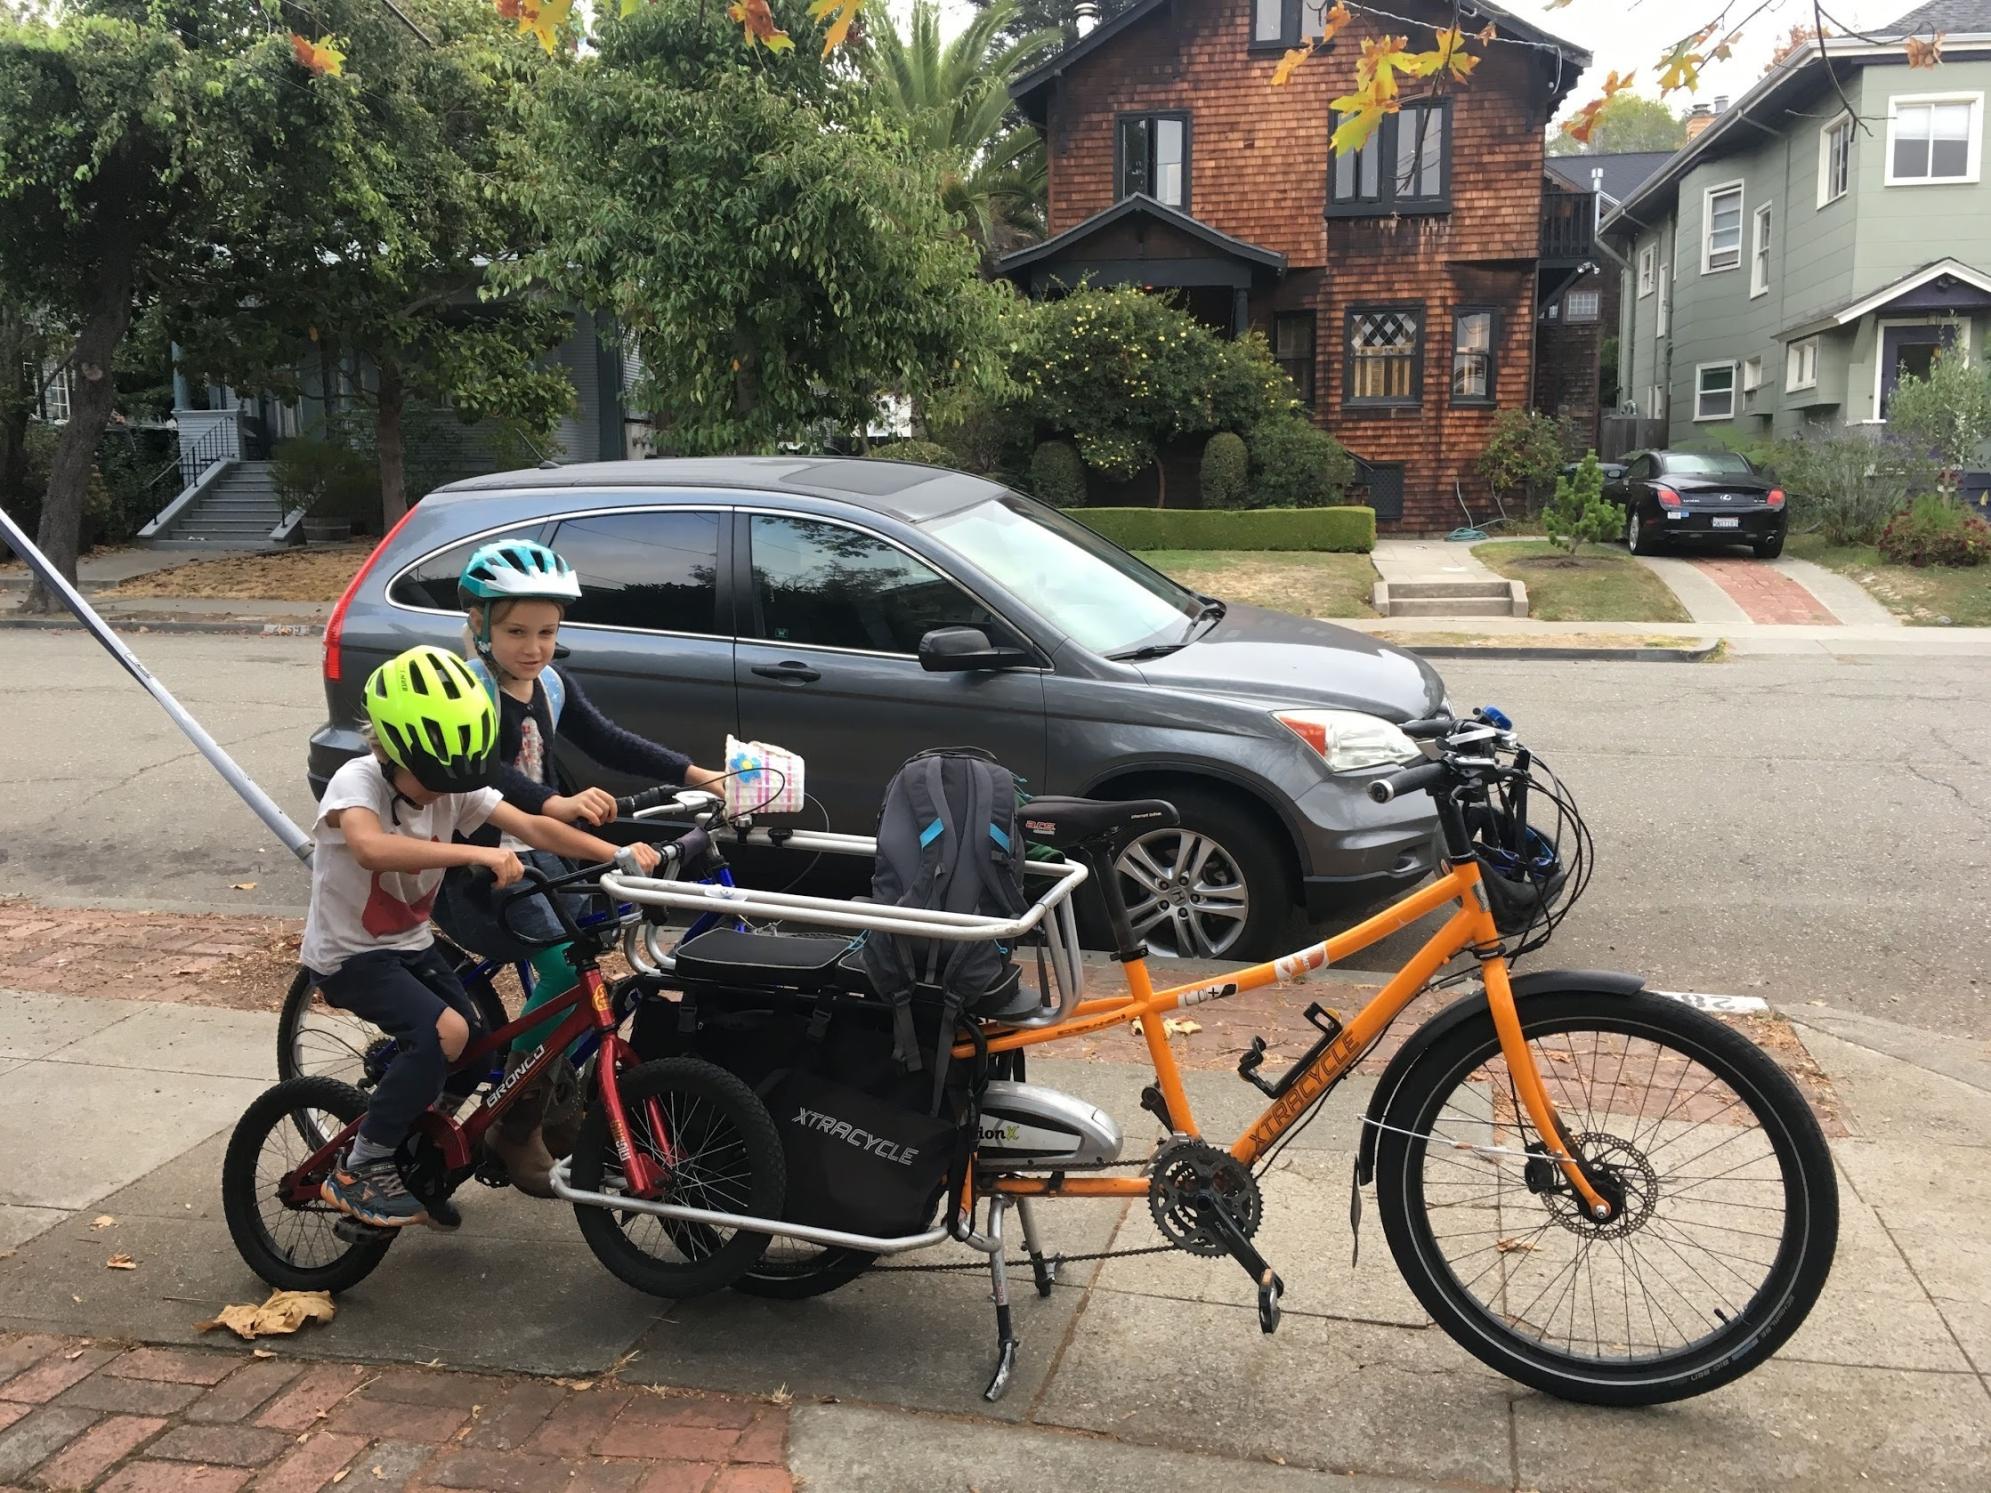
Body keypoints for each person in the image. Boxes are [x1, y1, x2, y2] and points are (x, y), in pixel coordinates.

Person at [303, 644, 660, 1231]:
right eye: (430, 780)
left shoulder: (455, 784)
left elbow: (536, 827)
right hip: (350, 955)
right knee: (442, 1034)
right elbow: (369, 847)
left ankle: (423, 1150)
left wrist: (616, 856)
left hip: (411, 944)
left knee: (475, 1051)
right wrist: (475, 854)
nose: (441, 794)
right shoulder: (357, 780)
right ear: (389, 748)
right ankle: (361, 1166)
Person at [429, 538, 722, 1195]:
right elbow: (483, 770)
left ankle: (556, 1092)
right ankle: (516, 1119)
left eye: (547, 632)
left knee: (587, 957)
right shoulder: (468, 689)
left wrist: (694, 772)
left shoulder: (552, 685)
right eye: (516, 632)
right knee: (566, 969)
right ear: (478, 623)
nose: (534, 647)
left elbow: (608, 739)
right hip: (481, 862)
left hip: (543, 847)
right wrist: (554, 801)